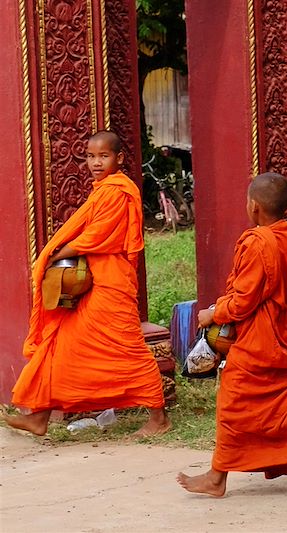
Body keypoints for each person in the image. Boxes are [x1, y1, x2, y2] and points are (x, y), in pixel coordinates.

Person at [176, 173, 287, 501]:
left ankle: (217, 477)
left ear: (253, 206)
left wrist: (213, 313)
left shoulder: (257, 242)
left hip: (259, 340)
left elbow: (242, 301)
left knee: (233, 402)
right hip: (286, 333)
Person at [3, 130, 170, 437]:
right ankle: (39, 416)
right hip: (95, 281)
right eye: (90, 156)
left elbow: (98, 236)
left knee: (129, 348)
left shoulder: (119, 191)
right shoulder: (103, 190)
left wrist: (56, 253)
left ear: (118, 158)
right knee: (61, 344)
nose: (96, 162)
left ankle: (158, 418)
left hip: (113, 281)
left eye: (103, 156)